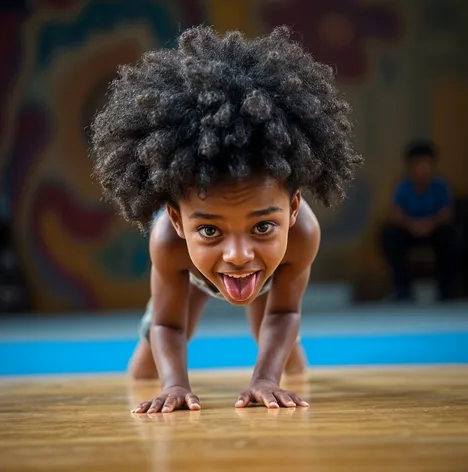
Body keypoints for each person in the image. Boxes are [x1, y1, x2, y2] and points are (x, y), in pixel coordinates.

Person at [90, 26, 362, 413]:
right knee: (144, 369)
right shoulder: (167, 241)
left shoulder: (302, 235)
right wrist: (174, 386)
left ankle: (279, 378)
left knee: (287, 359)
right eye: (210, 229)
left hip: (267, 271)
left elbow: (285, 312)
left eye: (263, 225)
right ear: (178, 220)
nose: (236, 254)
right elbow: (168, 325)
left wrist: (266, 379)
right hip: (194, 268)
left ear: (294, 208)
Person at [381, 140, 456, 301]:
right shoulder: (403, 186)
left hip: (434, 231)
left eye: (426, 163)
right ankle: (402, 289)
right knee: (390, 236)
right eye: (417, 164)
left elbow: (447, 212)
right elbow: (394, 212)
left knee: (451, 237)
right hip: (410, 231)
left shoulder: (440, 185)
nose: (422, 168)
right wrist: (412, 225)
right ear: (410, 166)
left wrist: (430, 224)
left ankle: (446, 289)